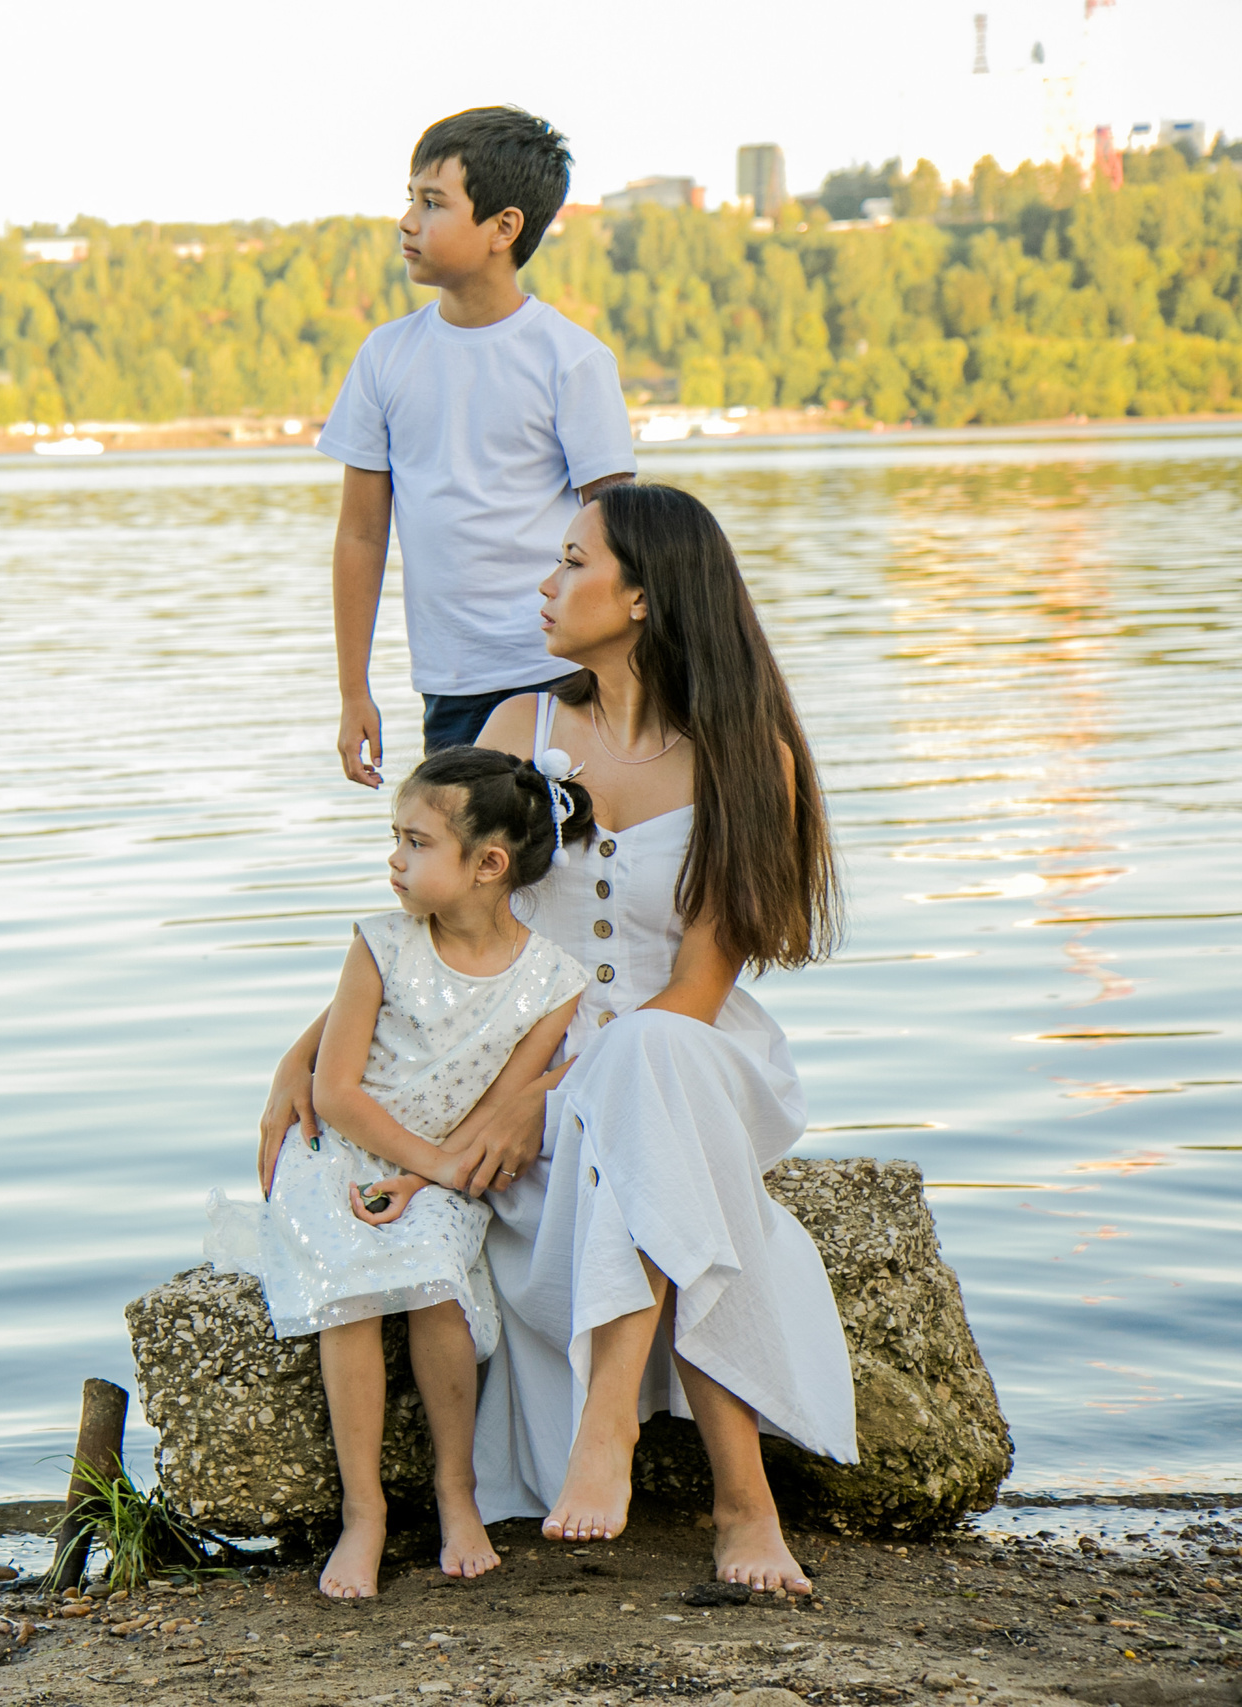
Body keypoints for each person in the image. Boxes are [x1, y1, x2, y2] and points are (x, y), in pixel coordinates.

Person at [259, 483, 855, 1596]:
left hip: (691, 1060)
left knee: (645, 1062)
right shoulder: (517, 731)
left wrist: (546, 1095)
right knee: (643, 1133)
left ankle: (619, 1428)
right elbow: (447, 924)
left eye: (570, 563)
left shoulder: (745, 756)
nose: (544, 585)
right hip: (524, 1072)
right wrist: (306, 1055)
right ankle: (738, 1504)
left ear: (641, 596)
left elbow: (695, 987)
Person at [207, 746, 589, 1598]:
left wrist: (432, 1178)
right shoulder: (379, 945)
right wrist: (427, 1163)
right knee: (351, 1284)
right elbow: (336, 1094)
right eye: (395, 838)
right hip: (342, 1153)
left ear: (489, 865)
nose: (393, 859)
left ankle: (458, 1493)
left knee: (432, 1282)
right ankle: (365, 1510)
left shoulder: (552, 983)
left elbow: (501, 1106)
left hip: (440, 1172)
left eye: (415, 842)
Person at [315, 105, 637, 774]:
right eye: (409, 199)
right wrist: (354, 691)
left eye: (433, 202)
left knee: (564, 868)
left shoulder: (571, 360)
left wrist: (632, 682)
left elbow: (626, 537)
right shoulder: (384, 358)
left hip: (564, 678)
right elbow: (361, 535)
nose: (407, 221)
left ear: (504, 227)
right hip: (452, 684)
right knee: (465, 873)